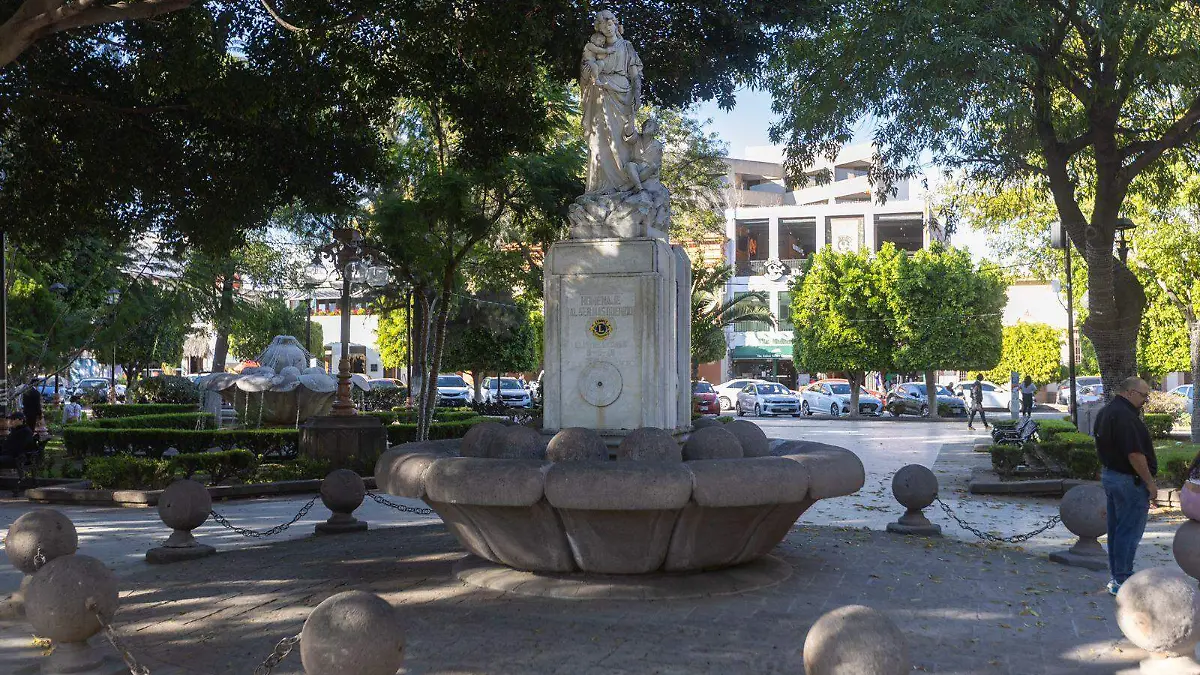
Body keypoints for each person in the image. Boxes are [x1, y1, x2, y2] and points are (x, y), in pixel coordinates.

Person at [1094, 376, 1158, 596]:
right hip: (1128, 481)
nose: (1145, 401)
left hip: (1112, 476)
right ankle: (1123, 579)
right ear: (1130, 392)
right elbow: (1135, 454)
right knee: (1128, 532)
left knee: (1117, 531)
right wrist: (1150, 483)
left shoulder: (1106, 412)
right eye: (1144, 396)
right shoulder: (1125, 417)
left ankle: (1117, 577)